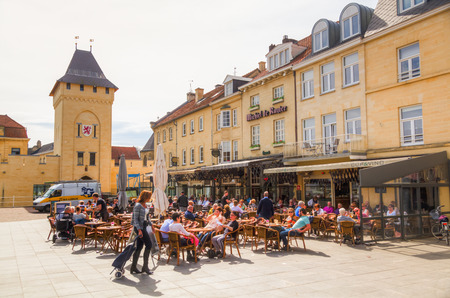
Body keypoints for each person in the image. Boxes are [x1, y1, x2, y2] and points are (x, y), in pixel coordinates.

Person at [130, 190, 153, 275]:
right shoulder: (138, 205)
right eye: (148, 197)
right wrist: (139, 230)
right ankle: (145, 267)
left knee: (139, 246)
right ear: (145, 196)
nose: (149, 199)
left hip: (144, 226)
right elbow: (135, 219)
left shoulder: (145, 205)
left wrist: (152, 225)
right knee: (149, 245)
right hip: (140, 227)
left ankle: (133, 267)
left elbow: (147, 217)